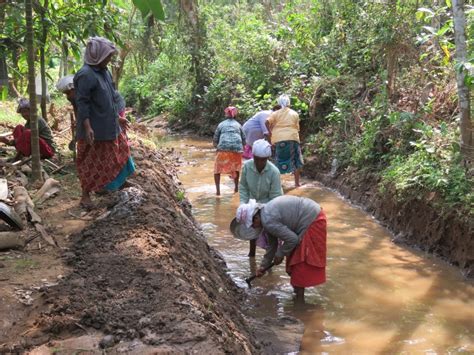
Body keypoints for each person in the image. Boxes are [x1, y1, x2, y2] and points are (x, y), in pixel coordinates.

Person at [73, 37, 135, 209]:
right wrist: (87, 127)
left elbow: (109, 98)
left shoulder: (104, 72)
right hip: (94, 128)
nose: (109, 60)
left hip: (110, 124)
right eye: (107, 56)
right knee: (91, 162)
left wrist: (118, 117)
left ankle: (121, 182)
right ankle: (85, 195)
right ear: (96, 55)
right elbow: (82, 103)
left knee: (121, 152)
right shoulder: (85, 75)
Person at [231, 195, 327, 302]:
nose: (254, 228)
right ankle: (297, 298)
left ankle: (299, 303)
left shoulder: (268, 221)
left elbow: (293, 240)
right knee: (293, 263)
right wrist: (263, 266)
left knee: (298, 266)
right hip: (310, 215)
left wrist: (280, 254)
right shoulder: (266, 215)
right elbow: (272, 245)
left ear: (256, 217)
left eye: (252, 225)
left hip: (312, 220)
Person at [239, 139, 282, 257]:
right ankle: (251, 254)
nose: (259, 163)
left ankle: (268, 257)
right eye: (256, 159)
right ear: (253, 156)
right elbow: (243, 186)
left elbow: (276, 197)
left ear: (267, 158)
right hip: (252, 202)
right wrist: (243, 204)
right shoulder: (247, 167)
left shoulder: (274, 172)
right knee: (252, 227)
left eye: (262, 160)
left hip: (268, 204)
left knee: (270, 234)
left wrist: (262, 211)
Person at [266, 94, 303, 187]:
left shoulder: (275, 113)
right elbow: (297, 128)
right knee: (296, 161)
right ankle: (297, 184)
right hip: (292, 137)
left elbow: (266, 122)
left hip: (279, 139)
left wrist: (270, 132)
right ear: (289, 103)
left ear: (279, 103)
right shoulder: (295, 113)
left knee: (279, 160)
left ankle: (276, 184)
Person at [213, 106, 245, 196]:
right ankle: (236, 189)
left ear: (226, 114)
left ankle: (218, 192)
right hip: (237, 149)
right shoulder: (238, 125)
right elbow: (244, 139)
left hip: (223, 149)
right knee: (236, 168)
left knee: (217, 170)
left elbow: (215, 138)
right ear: (235, 115)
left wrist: (217, 147)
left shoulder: (221, 124)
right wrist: (241, 148)